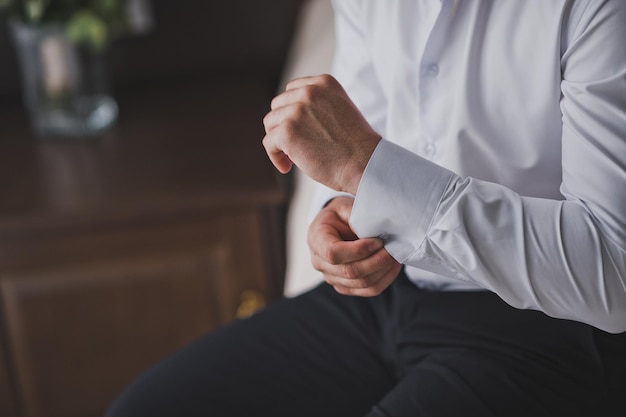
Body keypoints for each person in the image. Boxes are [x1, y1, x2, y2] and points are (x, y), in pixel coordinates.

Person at [106, 1, 626, 416]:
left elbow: (614, 275)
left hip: (547, 325)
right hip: (385, 294)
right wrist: (337, 214)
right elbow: (363, 136)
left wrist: (366, 167)